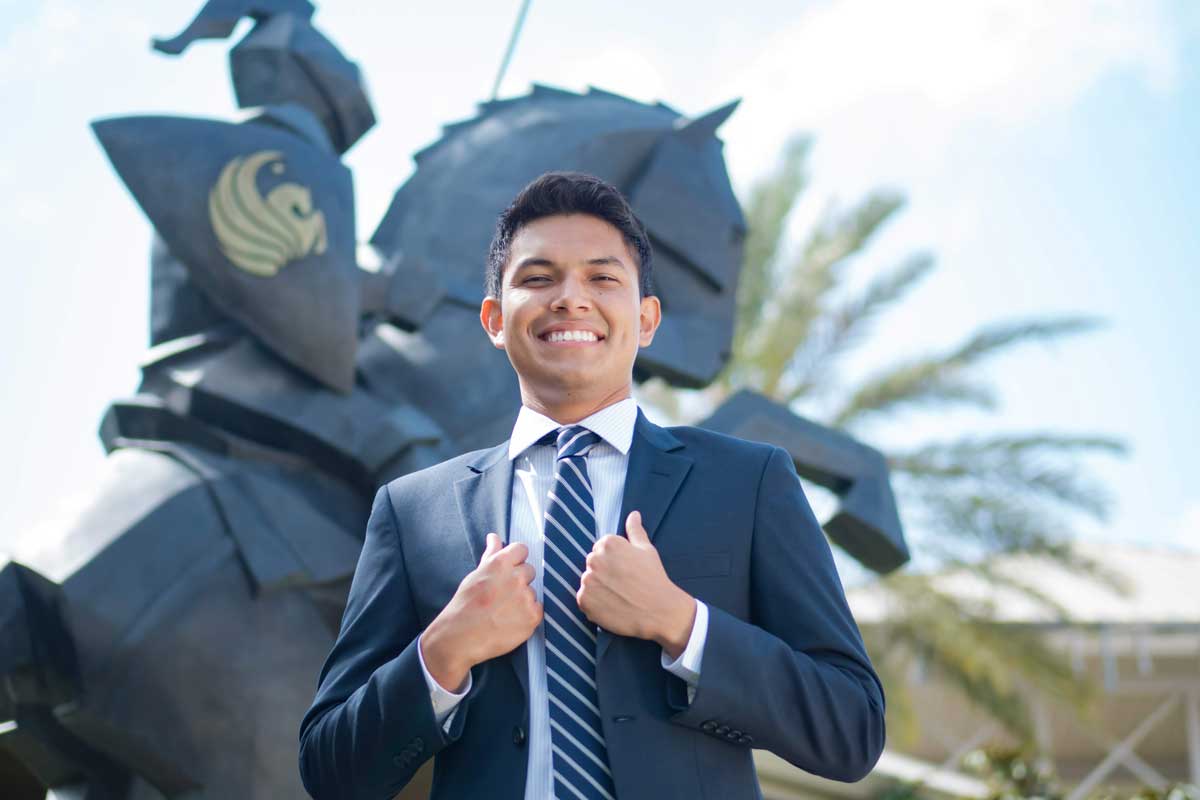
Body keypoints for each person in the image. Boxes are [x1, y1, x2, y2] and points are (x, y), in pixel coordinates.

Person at [298, 172, 886, 800]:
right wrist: (442, 652)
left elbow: (851, 728)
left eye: (603, 278)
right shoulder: (414, 510)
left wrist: (683, 624)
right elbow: (330, 772)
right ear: (495, 319)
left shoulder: (749, 481)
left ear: (647, 318)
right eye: (537, 278)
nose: (570, 299)